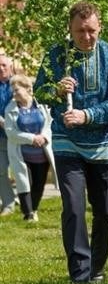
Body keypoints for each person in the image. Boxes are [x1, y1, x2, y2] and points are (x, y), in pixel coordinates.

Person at [33, 1, 108, 284]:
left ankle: (96, 268)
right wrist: (55, 89)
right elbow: (40, 91)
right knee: (74, 208)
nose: (86, 37)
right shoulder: (57, 55)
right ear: (70, 29)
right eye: (80, 31)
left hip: (103, 144)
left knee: (106, 213)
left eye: (91, 30)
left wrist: (87, 115)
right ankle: (79, 273)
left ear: (100, 27)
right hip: (67, 143)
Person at [4, 74, 57, 221]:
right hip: (21, 154)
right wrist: (32, 138)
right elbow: (10, 132)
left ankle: (33, 209)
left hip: (42, 153)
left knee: (39, 184)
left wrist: (44, 137)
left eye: (16, 90)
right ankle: (27, 213)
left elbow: (50, 123)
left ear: (28, 89)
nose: (14, 94)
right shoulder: (11, 108)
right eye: (12, 91)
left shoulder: (42, 105)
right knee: (24, 182)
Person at [0, 54, 16, 216]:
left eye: (4, 65)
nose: (1, 68)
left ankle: (29, 203)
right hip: (1, 137)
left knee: (28, 171)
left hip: (21, 136)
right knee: (2, 171)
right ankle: (8, 204)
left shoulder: (18, 84)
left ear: (10, 67)